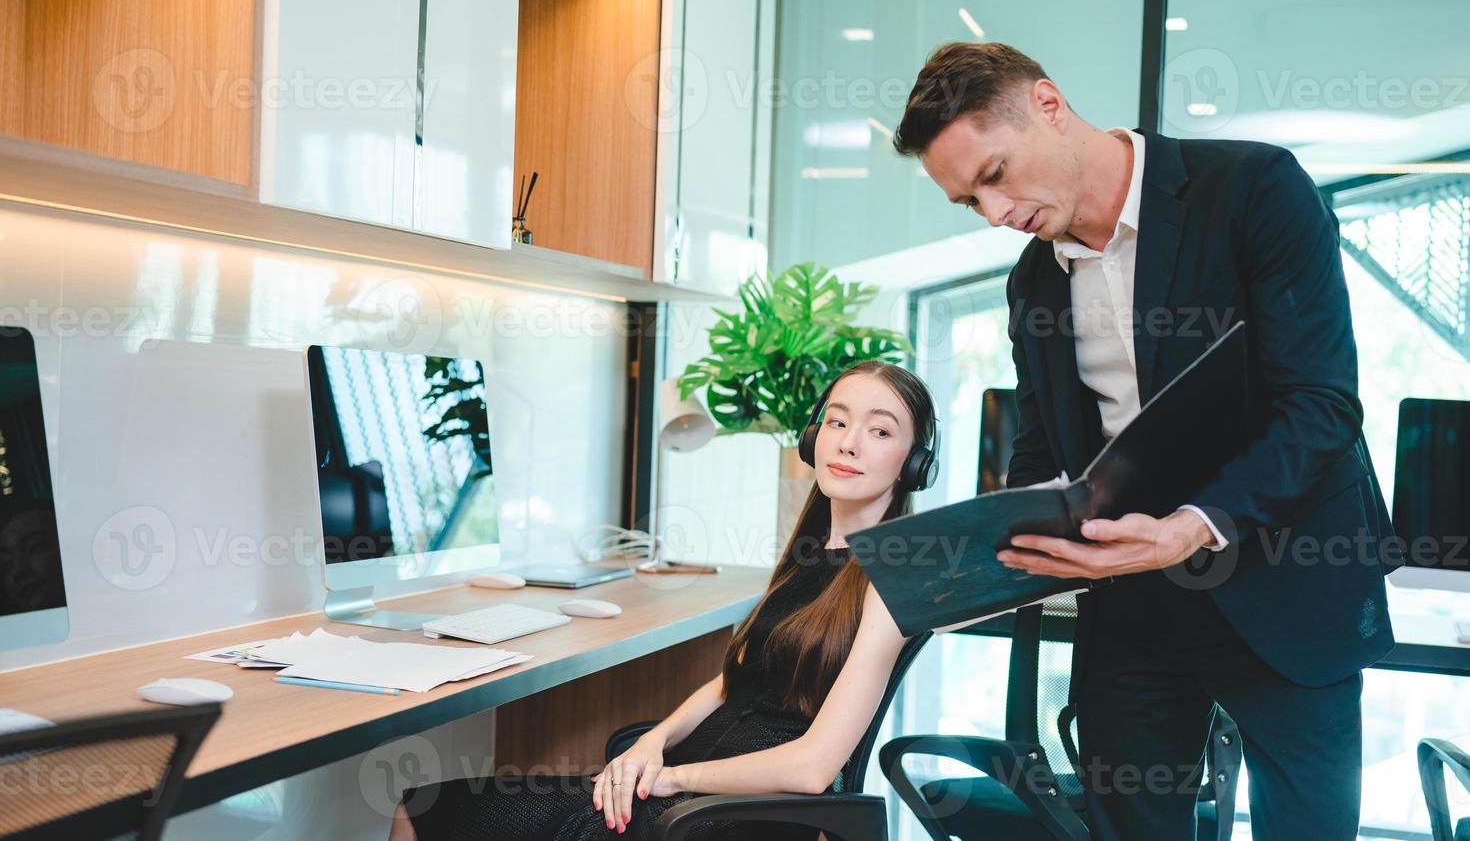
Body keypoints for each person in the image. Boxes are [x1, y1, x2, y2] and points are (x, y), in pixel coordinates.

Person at [893, 42, 1394, 840]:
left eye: (993, 176)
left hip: (1286, 578)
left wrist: (1189, 527)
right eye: (968, 203)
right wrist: (984, 551)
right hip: (1133, 600)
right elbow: (1043, 448)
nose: (993, 214)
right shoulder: (1033, 280)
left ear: (1049, 105)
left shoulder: (1254, 189)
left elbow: (1320, 408)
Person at [389, 359, 939, 841]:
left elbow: (813, 768)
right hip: (692, 790)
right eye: (838, 422)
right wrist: (653, 742)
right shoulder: (810, 554)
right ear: (812, 436)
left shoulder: (888, 584)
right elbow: (732, 682)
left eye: (880, 431)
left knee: (427, 814)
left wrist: (671, 777)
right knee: (426, 809)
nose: (848, 443)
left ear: (915, 463)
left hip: (736, 813)